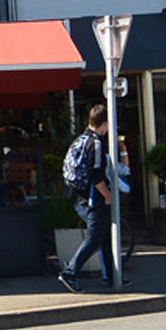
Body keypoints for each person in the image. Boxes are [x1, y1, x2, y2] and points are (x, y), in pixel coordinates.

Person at [58, 104, 129, 292]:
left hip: (80, 195)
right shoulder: (96, 143)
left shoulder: (80, 140)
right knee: (94, 238)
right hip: (93, 197)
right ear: (105, 123)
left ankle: (112, 276)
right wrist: (106, 195)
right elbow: (96, 173)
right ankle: (70, 272)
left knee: (104, 237)